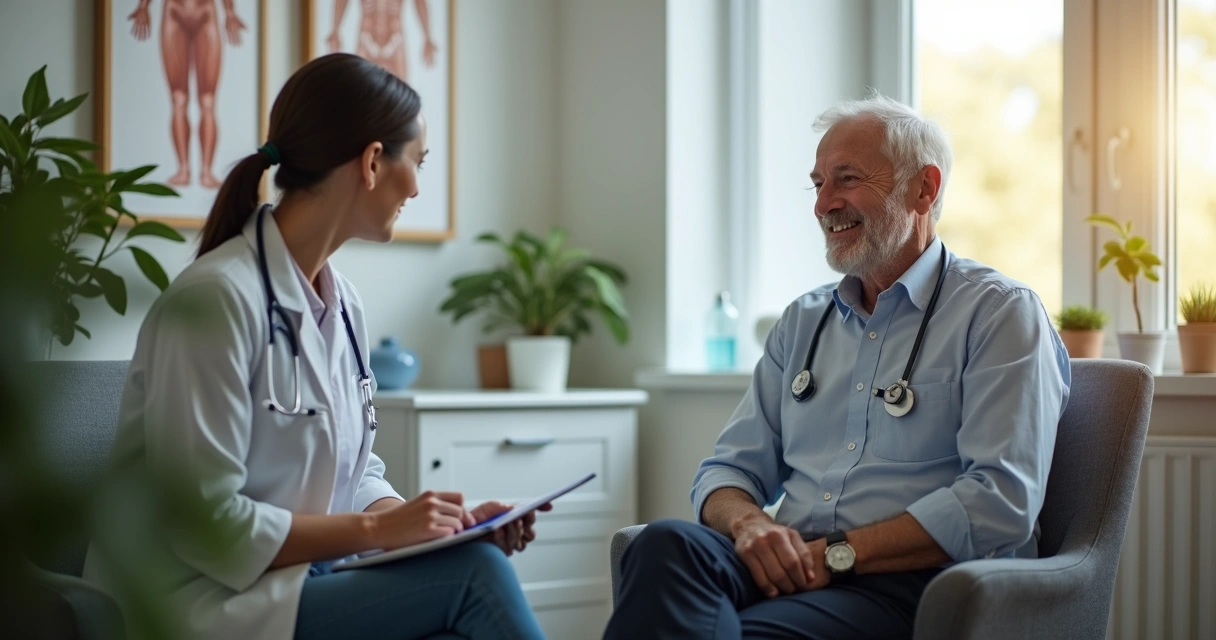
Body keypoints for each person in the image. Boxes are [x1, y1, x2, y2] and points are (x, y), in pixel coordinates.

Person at [82, 53, 546, 640]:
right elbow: (205, 526)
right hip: (190, 602)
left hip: (295, 583)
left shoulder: (344, 304)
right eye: (417, 162)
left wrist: (434, 526)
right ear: (373, 162)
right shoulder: (214, 300)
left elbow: (355, 472)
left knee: (467, 565)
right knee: (474, 579)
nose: (418, 186)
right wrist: (378, 532)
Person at [604, 94, 1071, 639]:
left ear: (925, 188)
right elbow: (726, 472)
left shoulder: (998, 313)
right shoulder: (803, 321)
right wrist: (752, 525)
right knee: (664, 544)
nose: (824, 204)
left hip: (913, 584)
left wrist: (837, 556)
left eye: (846, 179)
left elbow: (1001, 501)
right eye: (818, 183)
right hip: (794, 565)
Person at [128, 0, 246, 188]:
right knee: (178, 98)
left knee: (207, 100)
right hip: (174, 10)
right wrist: (143, 7)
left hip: (206, 10)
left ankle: (206, 171)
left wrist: (230, 12)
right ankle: (183, 169)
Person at [327, 0, 438, 82]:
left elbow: (420, 2)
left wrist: (427, 36)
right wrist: (335, 29)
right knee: (361, 89)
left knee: (400, 95)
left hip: (395, 37)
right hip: (366, 37)